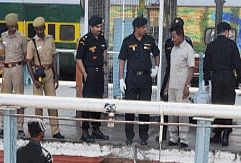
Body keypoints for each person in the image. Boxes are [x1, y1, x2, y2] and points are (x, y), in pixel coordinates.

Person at [119, 16, 160, 146]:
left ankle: (143, 136)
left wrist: (157, 68)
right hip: (131, 78)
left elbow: (157, 54)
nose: (145, 29)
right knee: (129, 108)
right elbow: (122, 60)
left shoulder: (149, 40)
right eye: (143, 27)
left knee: (144, 108)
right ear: (136, 28)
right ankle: (129, 136)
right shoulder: (127, 41)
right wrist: (121, 78)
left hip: (145, 78)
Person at [203, 21, 241, 146]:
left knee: (217, 105)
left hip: (216, 77)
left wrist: (206, 80)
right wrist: (240, 80)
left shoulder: (211, 46)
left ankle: (217, 133)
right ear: (226, 32)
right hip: (228, 77)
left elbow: (206, 65)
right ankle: (226, 133)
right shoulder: (231, 45)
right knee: (228, 105)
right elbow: (238, 64)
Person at [27, 17, 64, 139]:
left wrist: (56, 76)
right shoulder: (31, 43)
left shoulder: (50, 39)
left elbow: (53, 58)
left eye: (40, 29)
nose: (39, 31)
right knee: (38, 105)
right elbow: (28, 62)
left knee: (52, 103)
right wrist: (33, 80)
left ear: (45, 27)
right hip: (38, 74)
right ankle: (39, 132)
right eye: (36, 29)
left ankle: (55, 131)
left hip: (49, 73)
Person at [76, 15, 109, 143]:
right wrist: (84, 73)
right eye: (97, 27)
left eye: (100, 27)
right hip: (89, 72)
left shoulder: (101, 38)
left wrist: (105, 64)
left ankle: (96, 129)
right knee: (88, 103)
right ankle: (85, 131)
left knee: (98, 101)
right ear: (91, 27)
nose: (99, 29)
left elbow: (104, 50)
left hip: (99, 73)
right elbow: (78, 58)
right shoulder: (85, 40)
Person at [159, 17, 193, 142]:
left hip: (181, 87)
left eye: (174, 37)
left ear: (180, 35)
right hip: (172, 86)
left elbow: (191, 69)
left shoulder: (188, 49)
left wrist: (187, 86)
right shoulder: (173, 49)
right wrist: (167, 87)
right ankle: (173, 137)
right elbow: (171, 69)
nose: (172, 40)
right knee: (171, 113)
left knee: (183, 113)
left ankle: (183, 138)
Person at [0, 13, 27, 139]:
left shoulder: (22, 38)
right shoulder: (3, 36)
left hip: (17, 67)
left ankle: (20, 127)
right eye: (11, 27)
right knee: (5, 98)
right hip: (6, 68)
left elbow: (26, 55)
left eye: (14, 26)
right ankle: (4, 126)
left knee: (19, 97)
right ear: (7, 26)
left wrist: (19, 65)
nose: (13, 29)